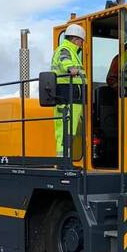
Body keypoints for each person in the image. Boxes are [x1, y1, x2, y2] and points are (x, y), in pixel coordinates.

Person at [51, 22, 86, 157]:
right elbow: (63, 60)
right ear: (76, 39)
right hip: (65, 100)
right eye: (81, 41)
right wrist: (70, 68)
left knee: (69, 133)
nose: (82, 44)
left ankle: (67, 161)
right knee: (64, 132)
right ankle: (63, 162)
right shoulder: (64, 49)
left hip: (73, 100)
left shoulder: (73, 52)